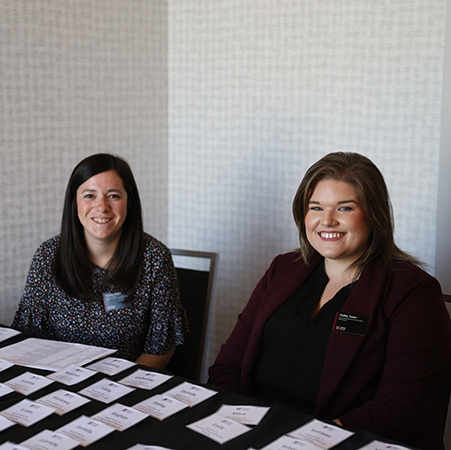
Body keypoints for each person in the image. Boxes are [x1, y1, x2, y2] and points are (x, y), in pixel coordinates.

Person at [208, 152, 451, 450]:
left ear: (374, 214)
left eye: (345, 208)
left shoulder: (413, 292)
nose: (327, 220)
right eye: (316, 207)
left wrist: (304, 439)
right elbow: (228, 364)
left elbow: (402, 407)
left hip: (342, 441)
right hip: (254, 432)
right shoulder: (282, 268)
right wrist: (238, 422)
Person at [12, 153, 187, 369]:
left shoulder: (155, 258)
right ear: (74, 203)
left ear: (129, 202)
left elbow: (160, 348)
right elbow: (30, 339)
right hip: (59, 384)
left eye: (113, 196)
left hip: (126, 386)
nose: (102, 206)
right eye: (89, 195)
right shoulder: (48, 256)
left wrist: (115, 387)